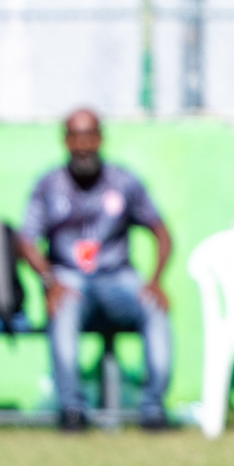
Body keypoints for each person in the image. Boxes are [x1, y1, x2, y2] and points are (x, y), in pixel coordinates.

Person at [17, 109, 174, 432]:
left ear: (101, 138)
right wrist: (50, 282)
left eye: (89, 135)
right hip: (70, 278)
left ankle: (153, 408)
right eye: (75, 136)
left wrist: (157, 280)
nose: (83, 144)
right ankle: (73, 409)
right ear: (65, 140)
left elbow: (162, 233)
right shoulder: (49, 185)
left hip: (118, 278)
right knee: (64, 303)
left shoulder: (124, 181)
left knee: (155, 307)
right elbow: (26, 242)